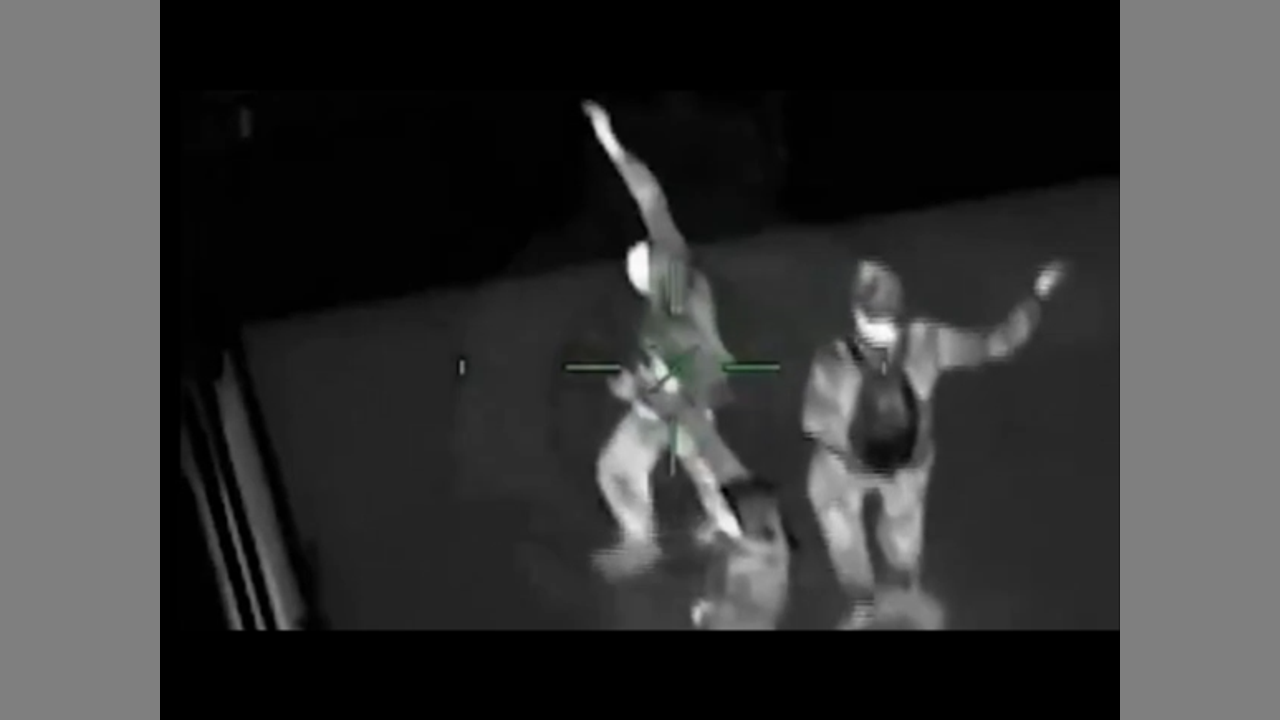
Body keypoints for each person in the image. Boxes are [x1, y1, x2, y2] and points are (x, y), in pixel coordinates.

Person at [801, 258, 1068, 628]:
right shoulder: (924, 340)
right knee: (896, 524)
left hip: (860, 466)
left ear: (857, 311)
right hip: (900, 464)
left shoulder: (836, 358)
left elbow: (814, 422)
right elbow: (997, 343)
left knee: (835, 503)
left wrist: (853, 453)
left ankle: (866, 599)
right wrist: (1036, 295)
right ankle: (896, 586)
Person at [583, 100, 754, 579]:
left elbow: (668, 386)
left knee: (619, 467)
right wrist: (609, 140)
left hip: (680, 401)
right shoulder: (678, 271)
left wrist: (634, 390)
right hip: (695, 394)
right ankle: (731, 528)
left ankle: (644, 539)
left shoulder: (666, 318)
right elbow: (650, 197)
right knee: (704, 467)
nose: (647, 244)